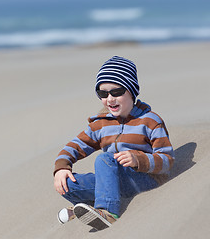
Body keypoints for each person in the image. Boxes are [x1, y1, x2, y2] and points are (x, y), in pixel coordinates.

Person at [53, 56, 175, 231]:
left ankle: (107, 212)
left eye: (116, 92)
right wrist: (61, 167)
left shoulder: (150, 121)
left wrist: (138, 159)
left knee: (104, 160)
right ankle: (88, 205)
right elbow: (75, 145)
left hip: (145, 179)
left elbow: (167, 160)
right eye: (103, 94)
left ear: (131, 91)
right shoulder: (101, 124)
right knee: (68, 184)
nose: (109, 99)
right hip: (113, 182)